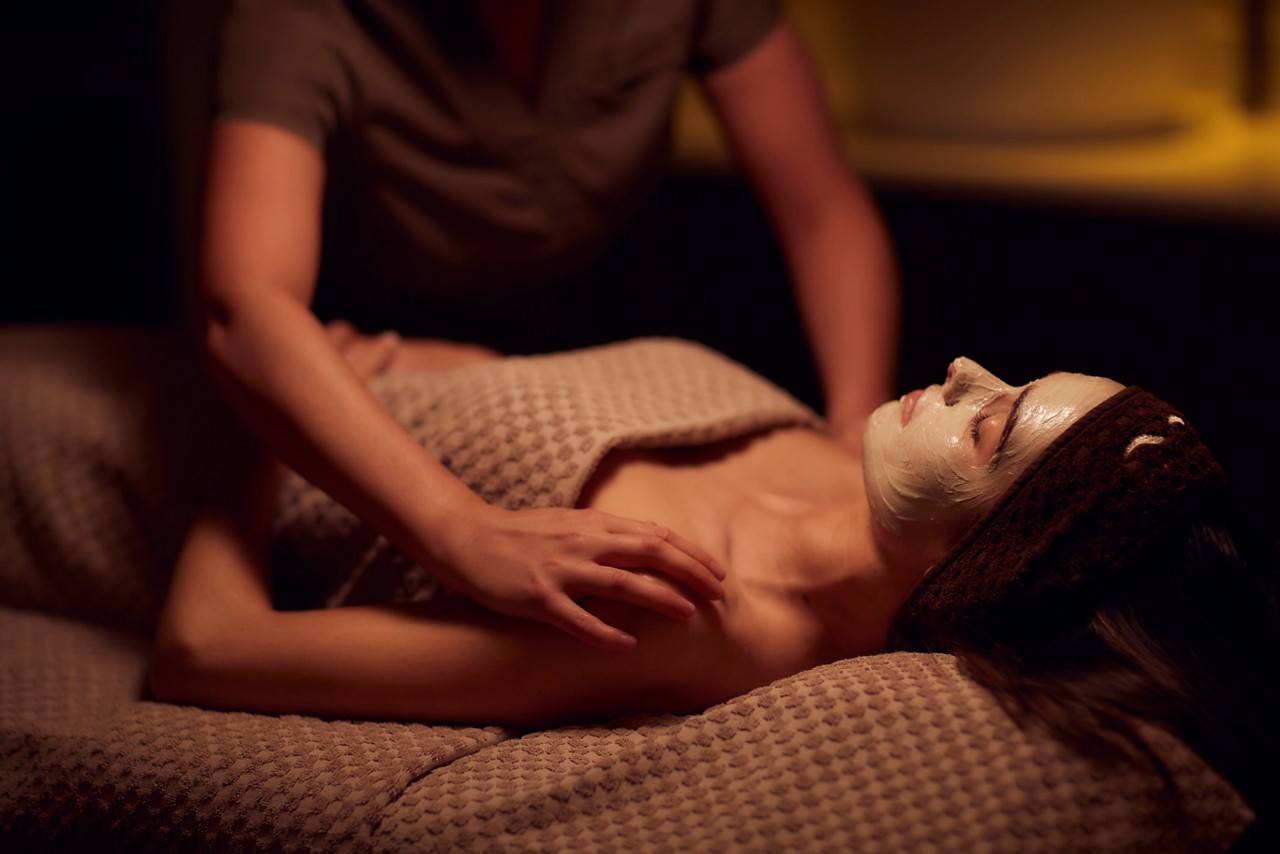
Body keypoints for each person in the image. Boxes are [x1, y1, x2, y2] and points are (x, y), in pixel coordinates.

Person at [150, 326, 1278, 830]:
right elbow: (555, 400)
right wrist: (392, 365)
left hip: (180, 445)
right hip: (310, 365)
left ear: (984, 558)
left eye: (988, 427)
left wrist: (268, 420)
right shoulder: (845, 455)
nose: (959, 370)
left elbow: (205, 650)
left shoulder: (676, 611)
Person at [195, 0, 900, 651]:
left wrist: (853, 432)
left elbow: (823, 212)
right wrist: (461, 533)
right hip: (411, 356)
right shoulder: (298, 18)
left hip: (642, 335)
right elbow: (247, 303)